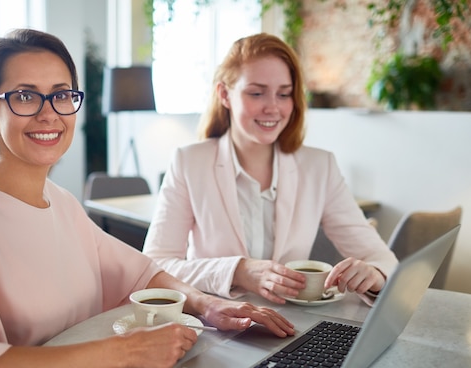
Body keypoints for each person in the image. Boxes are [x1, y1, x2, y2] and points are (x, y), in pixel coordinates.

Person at [0, 29, 295, 368]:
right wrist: (128, 351)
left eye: (61, 95)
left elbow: (144, 272)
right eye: (25, 96)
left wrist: (211, 305)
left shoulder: (61, 203)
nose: (49, 115)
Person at [142, 33, 398, 305]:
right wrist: (237, 271)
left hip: (291, 329)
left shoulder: (319, 167)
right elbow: (155, 266)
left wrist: (374, 275)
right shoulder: (189, 162)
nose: (273, 107)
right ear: (225, 95)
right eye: (256, 93)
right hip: (214, 324)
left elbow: (384, 260)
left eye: (284, 94)